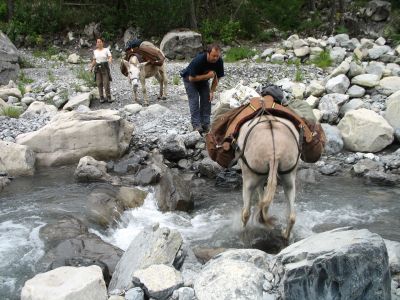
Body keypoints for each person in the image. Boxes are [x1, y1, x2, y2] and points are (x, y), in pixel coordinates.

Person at [181, 44, 224, 133]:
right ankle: (196, 125)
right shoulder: (199, 60)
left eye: (217, 56)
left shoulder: (219, 61)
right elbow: (191, 78)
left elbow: (217, 78)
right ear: (208, 53)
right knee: (194, 100)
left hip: (203, 81)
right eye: (213, 56)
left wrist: (212, 91)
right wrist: (207, 76)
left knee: (207, 98)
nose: (215, 58)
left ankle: (205, 124)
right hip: (189, 79)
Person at [90, 38, 113, 103]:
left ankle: (108, 97)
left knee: (106, 83)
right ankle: (101, 97)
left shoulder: (106, 50)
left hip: (104, 67)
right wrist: (91, 67)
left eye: (100, 42)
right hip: (97, 68)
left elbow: (110, 57)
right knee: (99, 83)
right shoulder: (95, 51)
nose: (99, 43)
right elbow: (94, 60)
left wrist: (110, 60)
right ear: (96, 43)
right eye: (97, 42)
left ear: (102, 43)